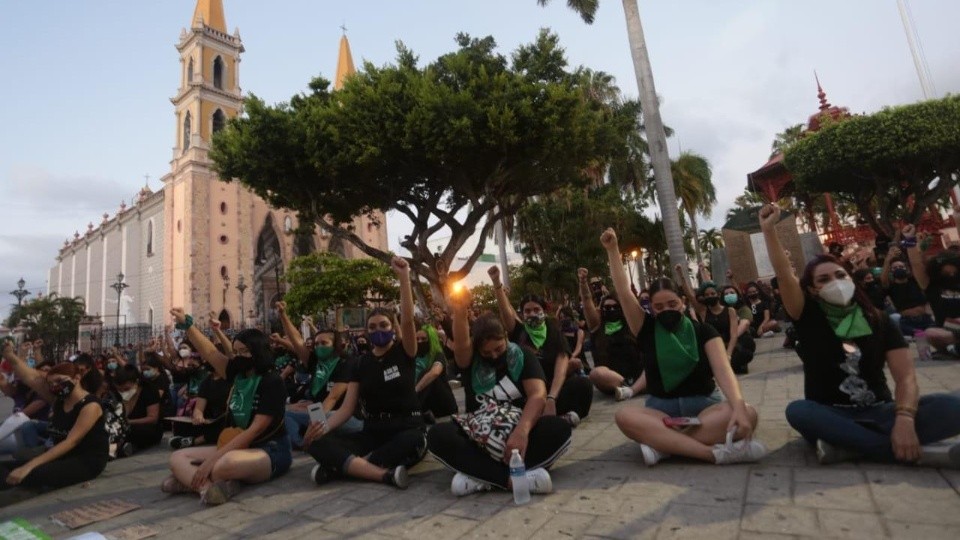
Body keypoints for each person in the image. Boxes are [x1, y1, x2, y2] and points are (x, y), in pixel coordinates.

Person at [759, 205, 960, 466]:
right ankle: (896, 450)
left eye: (840, 275)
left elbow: (906, 377)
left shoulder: (880, 320)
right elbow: (785, 275)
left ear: (851, 279)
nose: (835, 281)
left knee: (953, 406)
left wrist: (905, 419)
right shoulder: (807, 316)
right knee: (798, 411)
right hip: (830, 414)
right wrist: (769, 230)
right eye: (823, 280)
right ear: (812, 290)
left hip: (882, 411)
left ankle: (851, 447)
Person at [600, 228, 767, 467]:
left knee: (748, 413)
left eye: (672, 303)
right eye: (658, 307)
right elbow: (624, 292)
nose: (666, 310)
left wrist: (738, 406)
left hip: (705, 407)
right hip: (661, 412)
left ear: (683, 302)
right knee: (625, 416)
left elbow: (723, 371)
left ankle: (664, 446)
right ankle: (714, 454)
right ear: (651, 309)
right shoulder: (645, 329)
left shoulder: (704, 331)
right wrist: (613, 250)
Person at [427, 289, 570, 496]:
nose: (494, 356)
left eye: (499, 349)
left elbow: (537, 395)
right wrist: (459, 310)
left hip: (518, 432)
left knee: (559, 429)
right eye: (487, 353)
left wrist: (521, 432)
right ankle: (513, 480)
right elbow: (461, 342)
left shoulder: (523, 356)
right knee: (438, 435)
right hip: (478, 434)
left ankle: (479, 477)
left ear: (505, 337)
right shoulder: (470, 361)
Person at [302, 257, 427, 490]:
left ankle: (341, 468)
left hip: (405, 428)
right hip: (372, 431)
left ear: (392, 329)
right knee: (318, 444)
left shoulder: (404, 352)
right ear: (366, 332)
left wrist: (403, 278)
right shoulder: (360, 364)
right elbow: (347, 409)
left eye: (383, 326)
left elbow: (408, 321)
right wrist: (321, 429)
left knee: (413, 441)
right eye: (372, 327)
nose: (377, 330)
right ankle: (381, 474)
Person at [163, 309, 292, 505]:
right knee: (177, 458)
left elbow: (256, 429)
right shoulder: (237, 373)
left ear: (258, 352)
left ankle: (188, 482)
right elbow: (210, 352)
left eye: (245, 352)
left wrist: (211, 460)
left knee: (224, 465)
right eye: (236, 351)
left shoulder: (272, 381)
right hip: (232, 444)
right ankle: (205, 488)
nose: (239, 356)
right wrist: (187, 324)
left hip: (269, 449)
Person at [488, 266, 592, 426]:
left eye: (536, 309)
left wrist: (551, 398)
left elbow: (561, 367)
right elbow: (506, 313)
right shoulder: (519, 332)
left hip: (552, 389)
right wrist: (496, 283)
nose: (532, 314)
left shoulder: (553, 331)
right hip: (529, 392)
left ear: (544, 311)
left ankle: (556, 415)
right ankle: (551, 418)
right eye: (527, 311)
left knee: (582, 385)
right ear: (522, 314)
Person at [0, 342, 109, 490]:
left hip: (85, 461)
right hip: (61, 456)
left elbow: (71, 441)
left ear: (77, 378)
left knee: (30, 474)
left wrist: (28, 466)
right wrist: (10, 356)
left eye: (59, 381)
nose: (55, 386)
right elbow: (32, 378)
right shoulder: (59, 400)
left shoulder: (90, 405)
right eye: (51, 383)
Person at [281, 304, 362, 449]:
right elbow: (297, 340)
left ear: (335, 344)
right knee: (285, 413)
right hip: (318, 411)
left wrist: (315, 420)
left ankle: (310, 440)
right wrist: (283, 314)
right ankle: (304, 443)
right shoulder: (315, 361)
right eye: (316, 344)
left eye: (324, 343)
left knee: (309, 415)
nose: (319, 347)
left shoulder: (346, 363)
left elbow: (333, 398)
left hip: (342, 416)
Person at [579, 268, 646, 401]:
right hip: (611, 380)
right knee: (596, 373)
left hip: (638, 374)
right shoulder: (597, 327)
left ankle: (634, 388)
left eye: (615, 307)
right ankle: (629, 387)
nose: (611, 310)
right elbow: (587, 301)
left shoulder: (632, 324)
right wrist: (583, 282)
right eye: (607, 308)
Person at [677, 271, 756, 375]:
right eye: (707, 295)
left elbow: (733, 335)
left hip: (729, 346)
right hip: (713, 349)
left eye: (712, 294)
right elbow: (690, 295)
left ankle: (731, 365)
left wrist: (728, 354)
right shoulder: (703, 311)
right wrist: (681, 275)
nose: (710, 296)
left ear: (718, 294)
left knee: (745, 354)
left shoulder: (730, 311)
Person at [880, 245, 934, 337]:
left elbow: (919, 266)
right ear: (891, 271)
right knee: (919, 339)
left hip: (925, 319)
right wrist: (888, 260)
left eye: (901, 266)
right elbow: (883, 280)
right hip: (907, 322)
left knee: (934, 335)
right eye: (895, 268)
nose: (898, 269)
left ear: (906, 268)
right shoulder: (891, 287)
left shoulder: (915, 281)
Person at [414, 324, 458, 421]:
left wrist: (415, 391)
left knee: (426, 373)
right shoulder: (413, 356)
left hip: (442, 402)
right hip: (425, 402)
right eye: (417, 339)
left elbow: (435, 372)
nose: (419, 342)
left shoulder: (438, 354)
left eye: (423, 339)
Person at [114, 365, 163, 451]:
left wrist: (129, 422)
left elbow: (152, 418)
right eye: (120, 390)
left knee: (133, 432)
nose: (123, 392)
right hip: (125, 426)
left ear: (136, 382)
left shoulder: (149, 390)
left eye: (126, 389)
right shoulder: (116, 394)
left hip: (146, 427)